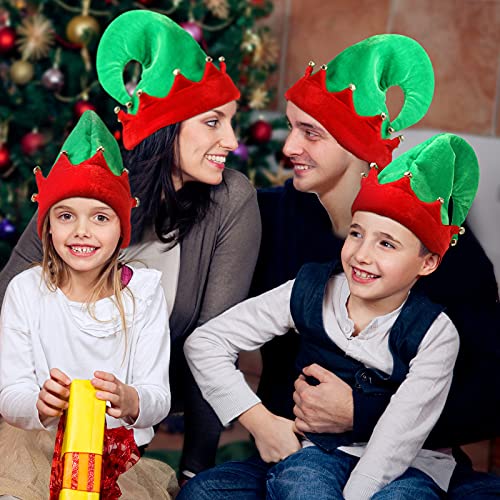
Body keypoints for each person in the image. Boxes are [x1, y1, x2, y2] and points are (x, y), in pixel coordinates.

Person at [0, 10, 261, 484]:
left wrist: (195, 471)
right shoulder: (92, 189)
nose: (231, 140)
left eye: (232, 122)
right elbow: (11, 294)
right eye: (213, 122)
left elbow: (214, 343)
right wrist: (27, 402)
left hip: (125, 437)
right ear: (167, 126)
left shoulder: (230, 199)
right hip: (35, 422)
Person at [253, 34, 500, 497]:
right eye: (291, 127)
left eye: (311, 133)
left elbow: (490, 390)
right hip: (299, 456)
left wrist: (362, 412)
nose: (288, 148)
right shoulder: (268, 217)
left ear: (358, 147)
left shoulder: (441, 245)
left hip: (415, 459)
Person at [179, 132, 479, 499]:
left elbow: (398, 435)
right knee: (213, 491)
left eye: (386, 243)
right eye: (356, 234)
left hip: (407, 465)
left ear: (428, 262)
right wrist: (258, 420)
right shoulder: (310, 289)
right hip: (315, 455)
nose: (361, 255)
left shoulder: (434, 332)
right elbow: (206, 342)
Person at [0, 111, 178, 499]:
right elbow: (10, 392)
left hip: (114, 457)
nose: (82, 231)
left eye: (100, 217)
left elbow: (157, 396)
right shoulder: (26, 291)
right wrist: (41, 406)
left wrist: (131, 400)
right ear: (47, 226)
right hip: (35, 449)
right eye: (66, 216)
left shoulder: (142, 295)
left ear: (121, 229)